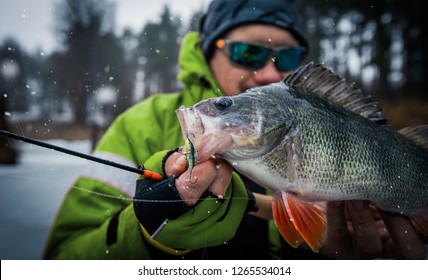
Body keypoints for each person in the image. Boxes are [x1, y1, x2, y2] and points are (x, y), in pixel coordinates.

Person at [42, 0, 426, 260]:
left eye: (288, 56)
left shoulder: (311, 113)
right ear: (208, 51)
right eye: (249, 52)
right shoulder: (138, 127)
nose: (271, 70)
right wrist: (147, 232)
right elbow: (63, 258)